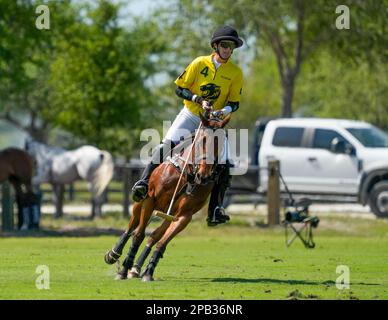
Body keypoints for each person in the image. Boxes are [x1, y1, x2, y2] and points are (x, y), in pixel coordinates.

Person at [131, 25, 244, 226]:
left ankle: (216, 209)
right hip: (191, 114)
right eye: (225, 45)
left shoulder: (235, 72)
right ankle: (142, 182)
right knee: (166, 145)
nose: (228, 50)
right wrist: (198, 99)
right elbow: (179, 88)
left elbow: (234, 103)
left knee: (226, 164)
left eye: (232, 47)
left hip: (214, 123)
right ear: (216, 46)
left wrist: (224, 111)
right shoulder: (199, 63)